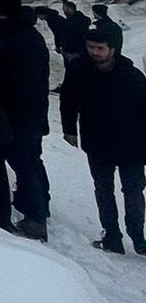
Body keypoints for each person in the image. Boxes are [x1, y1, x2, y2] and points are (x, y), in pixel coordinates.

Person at [59, 18, 146, 254]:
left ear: (113, 49)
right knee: (103, 190)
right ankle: (112, 237)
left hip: (132, 144)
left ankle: (138, 237)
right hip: (97, 142)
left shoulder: (132, 75)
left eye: (100, 48)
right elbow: (68, 100)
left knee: (133, 191)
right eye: (91, 47)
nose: (95, 52)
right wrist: (69, 130)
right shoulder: (79, 70)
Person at [0, 6, 52, 239]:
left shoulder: (11, 45)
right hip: (32, 112)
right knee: (31, 160)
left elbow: (8, 83)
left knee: (23, 163)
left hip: (18, 115)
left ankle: (36, 217)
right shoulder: (30, 37)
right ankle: (41, 206)